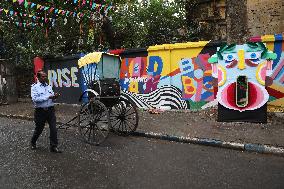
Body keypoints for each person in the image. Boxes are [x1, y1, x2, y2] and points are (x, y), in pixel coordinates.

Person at [30, 70, 62, 153]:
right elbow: (35, 100)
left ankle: (53, 146)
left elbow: (51, 98)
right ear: (38, 77)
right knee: (39, 129)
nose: (45, 78)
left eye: (45, 76)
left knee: (53, 129)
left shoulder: (49, 86)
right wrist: (48, 97)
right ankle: (33, 142)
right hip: (40, 112)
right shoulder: (34, 87)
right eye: (43, 76)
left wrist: (55, 97)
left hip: (50, 110)